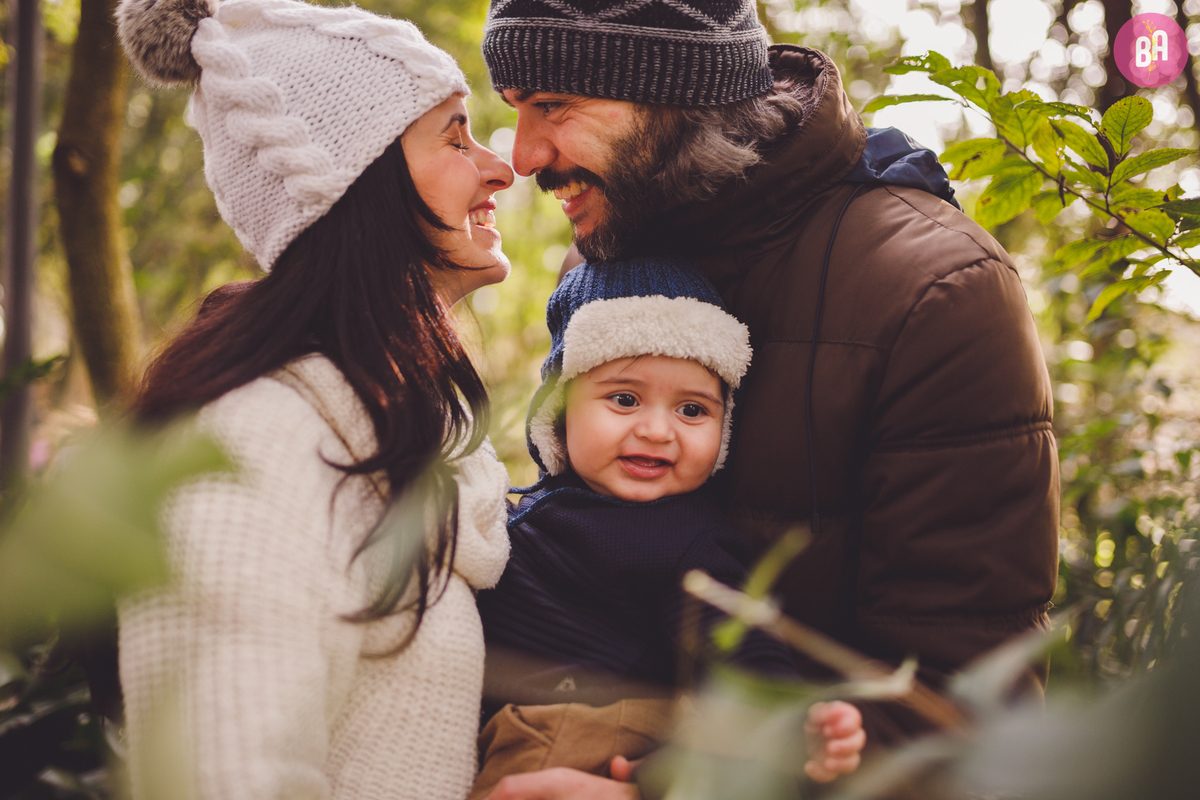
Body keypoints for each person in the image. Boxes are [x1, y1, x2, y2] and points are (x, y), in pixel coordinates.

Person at [481, 0, 1059, 754]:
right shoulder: (607, 260)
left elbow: (965, 712)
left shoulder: (936, 289)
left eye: (553, 104)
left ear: (675, 86)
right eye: (516, 108)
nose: (524, 157)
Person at [113, 0, 518, 798]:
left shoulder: (405, 439)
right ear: (359, 185)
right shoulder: (254, 444)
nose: (500, 167)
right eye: (454, 137)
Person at [471, 258, 865, 800]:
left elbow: (744, 661)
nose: (657, 430)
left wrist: (796, 728)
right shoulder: (542, 506)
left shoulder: (683, 540)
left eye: (692, 410)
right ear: (558, 411)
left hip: (573, 740)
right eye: (625, 399)